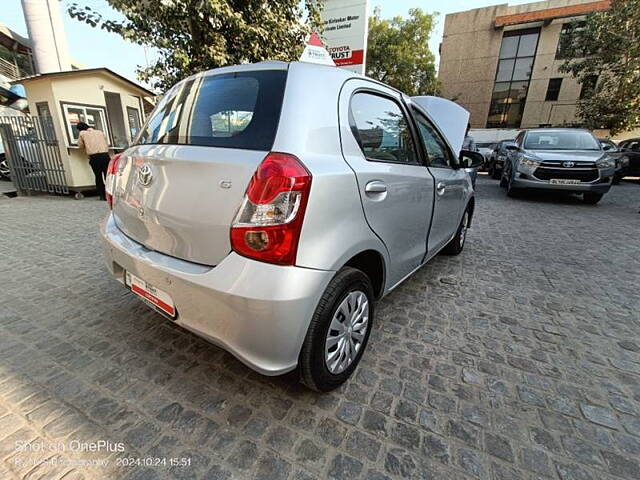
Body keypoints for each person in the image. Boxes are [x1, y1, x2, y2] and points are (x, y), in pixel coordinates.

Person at [77, 122, 110, 200]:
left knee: (98, 177)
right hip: (105, 156)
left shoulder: (82, 133)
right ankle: (110, 194)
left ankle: (102, 196)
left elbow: (80, 145)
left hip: (94, 157)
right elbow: (106, 142)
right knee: (107, 176)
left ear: (80, 129)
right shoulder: (100, 132)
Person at [462, 123, 479, 188]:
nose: (465, 130)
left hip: (466, 159)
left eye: (467, 129)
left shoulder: (470, 139)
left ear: (468, 129)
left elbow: (472, 152)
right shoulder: (456, 138)